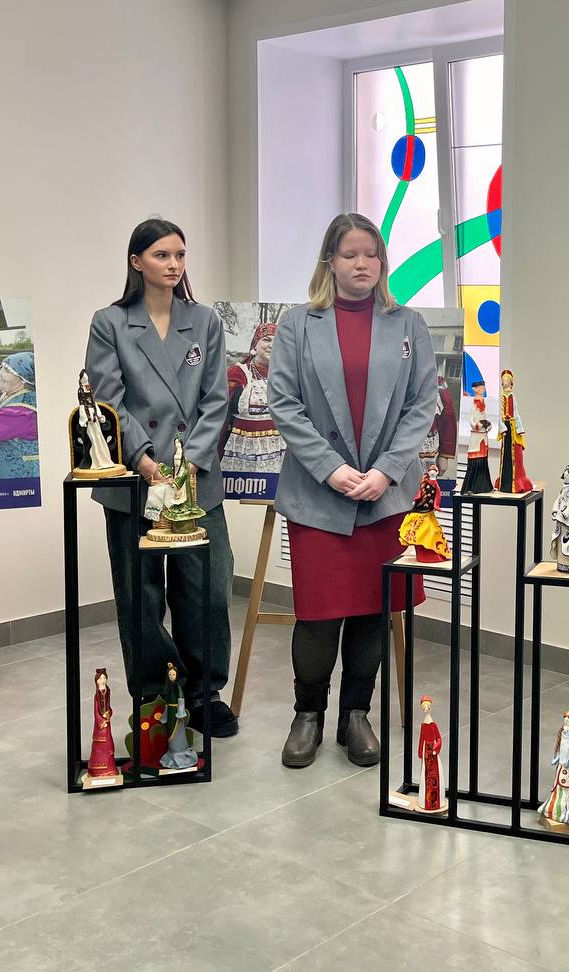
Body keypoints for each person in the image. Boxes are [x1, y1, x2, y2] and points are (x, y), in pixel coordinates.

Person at [269, 212, 436, 769]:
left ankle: (356, 715)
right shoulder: (297, 324)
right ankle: (308, 715)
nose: (362, 264)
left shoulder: (408, 324)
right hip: (318, 496)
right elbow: (284, 403)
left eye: (371, 254)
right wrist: (330, 468)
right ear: (330, 262)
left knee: (372, 610)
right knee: (318, 613)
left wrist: (386, 470)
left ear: (382, 262)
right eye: (350, 254)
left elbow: (422, 405)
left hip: (384, 497)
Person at [84, 217, 237, 737]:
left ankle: (204, 692)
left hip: (197, 480)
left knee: (207, 590)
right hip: (135, 480)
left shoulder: (206, 321)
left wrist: (189, 463)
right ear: (137, 262)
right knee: (140, 596)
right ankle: (155, 693)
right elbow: (108, 401)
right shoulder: (110, 322)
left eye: (180, 255)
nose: (173, 265)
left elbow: (216, 399)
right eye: (161, 255)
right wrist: (147, 462)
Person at [223, 320, 286, 475]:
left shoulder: (285, 375)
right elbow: (220, 415)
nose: (271, 345)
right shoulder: (238, 374)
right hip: (243, 450)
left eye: (276, 341)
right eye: (266, 340)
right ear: (255, 345)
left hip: (278, 450)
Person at [459, 379, 494, 494]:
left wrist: (488, 424)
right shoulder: (474, 402)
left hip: (483, 434)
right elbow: (471, 418)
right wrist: (476, 425)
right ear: (475, 389)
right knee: (475, 458)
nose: (482, 389)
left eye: (483, 387)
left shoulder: (483, 401)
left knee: (483, 458)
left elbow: (484, 416)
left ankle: (484, 485)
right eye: (480, 388)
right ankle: (472, 486)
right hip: (476, 434)